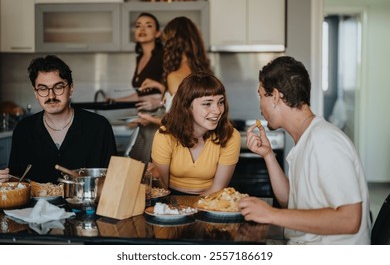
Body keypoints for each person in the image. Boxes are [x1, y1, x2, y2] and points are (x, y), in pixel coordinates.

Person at [238, 56, 371, 244]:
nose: (260, 106)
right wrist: (268, 155)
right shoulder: (307, 139)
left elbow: (349, 219)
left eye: (261, 95)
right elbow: (290, 202)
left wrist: (271, 214)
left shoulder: (325, 141)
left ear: (275, 96)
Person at [0, 55, 117, 184]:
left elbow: (113, 180)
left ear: (71, 88)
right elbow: (16, 182)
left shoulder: (99, 127)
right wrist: (5, 179)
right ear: (35, 93)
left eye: (58, 87)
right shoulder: (23, 130)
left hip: (86, 203)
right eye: (43, 89)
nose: (51, 95)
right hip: (35, 205)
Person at [150, 72, 241, 196]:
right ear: (187, 106)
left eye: (220, 102)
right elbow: (162, 189)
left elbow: (217, 189)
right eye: (207, 104)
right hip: (171, 199)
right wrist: (154, 176)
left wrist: (192, 208)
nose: (218, 110)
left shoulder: (230, 136)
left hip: (211, 199)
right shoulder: (165, 136)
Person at [138, 16, 213, 126]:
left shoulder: (175, 76)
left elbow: (180, 123)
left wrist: (150, 119)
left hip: (178, 142)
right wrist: (161, 87)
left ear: (172, 43)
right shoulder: (203, 72)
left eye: (166, 42)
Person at [107, 12, 164, 112]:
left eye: (148, 25)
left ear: (157, 33)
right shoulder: (140, 58)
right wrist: (116, 101)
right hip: (145, 116)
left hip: (162, 116)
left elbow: (177, 92)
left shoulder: (164, 55)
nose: (142, 29)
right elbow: (142, 95)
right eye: (138, 26)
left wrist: (159, 102)